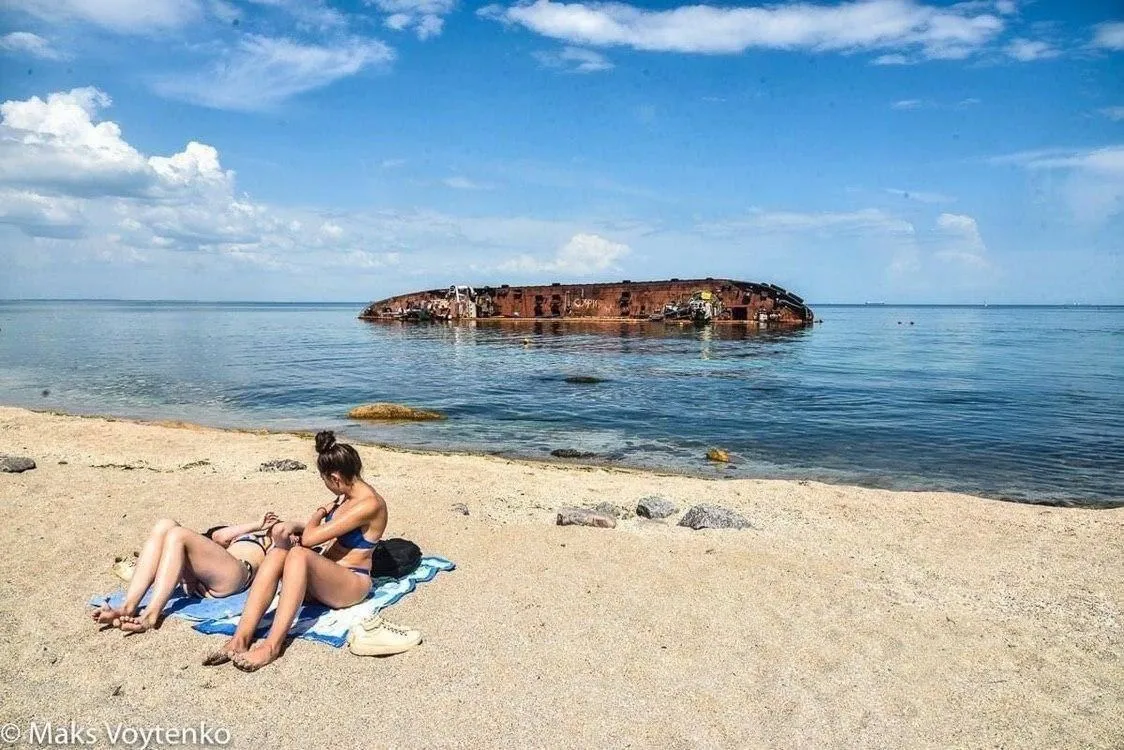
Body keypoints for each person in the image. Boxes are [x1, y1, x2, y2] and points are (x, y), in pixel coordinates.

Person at [204, 431, 387, 670]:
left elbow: (311, 538)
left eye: (325, 481)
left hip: (351, 583)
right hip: (326, 580)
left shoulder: (369, 504)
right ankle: (241, 639)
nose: (327, 487)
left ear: (335, 478)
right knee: (279, 552)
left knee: (299, 553)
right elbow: (328, 531)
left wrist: (320, 512)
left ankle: (272, 646)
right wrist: (294, 526)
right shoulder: (348, 495)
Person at [91, 513, 278, 634]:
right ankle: (128, 606)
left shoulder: (276, 544)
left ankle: (151, 615)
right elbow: (219, 537)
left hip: (237, 575)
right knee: (165, 524)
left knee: (177, 534)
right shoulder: (239, 537)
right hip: (205, 576)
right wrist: (257, 525)